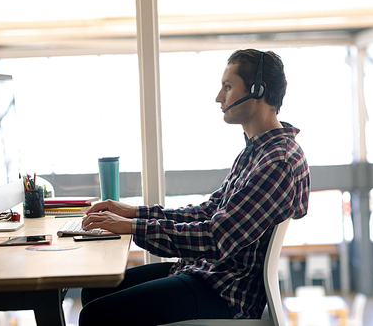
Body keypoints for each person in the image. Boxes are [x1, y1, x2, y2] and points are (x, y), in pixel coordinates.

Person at [79, 48, 310, 326]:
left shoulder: (277, 162)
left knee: (97, 315)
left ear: (257, 90)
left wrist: (132, 227)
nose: (218, 97)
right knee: (94, 291)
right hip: (207, 273)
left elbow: (215, 237)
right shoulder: (258, 150)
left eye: (227, 87)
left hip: (225, 291)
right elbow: (209, 211)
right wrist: (134, 213)